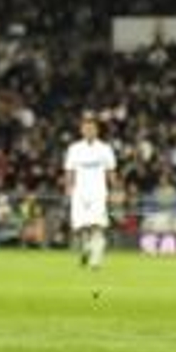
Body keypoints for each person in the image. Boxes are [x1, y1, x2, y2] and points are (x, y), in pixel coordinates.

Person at [64, 113, 118, 269]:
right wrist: (68, 187)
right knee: (81, 227)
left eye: (92, 128)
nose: (88, 131)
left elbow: (111, 171)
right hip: (79, 192)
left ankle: (96, 260)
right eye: (86, 128)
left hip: (98, 192)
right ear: (81, 130)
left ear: (97, 130)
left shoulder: (105, 149)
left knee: (97, 225)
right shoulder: (74, 149)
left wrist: (115, 190)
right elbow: (69, 170)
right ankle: (87, 247)